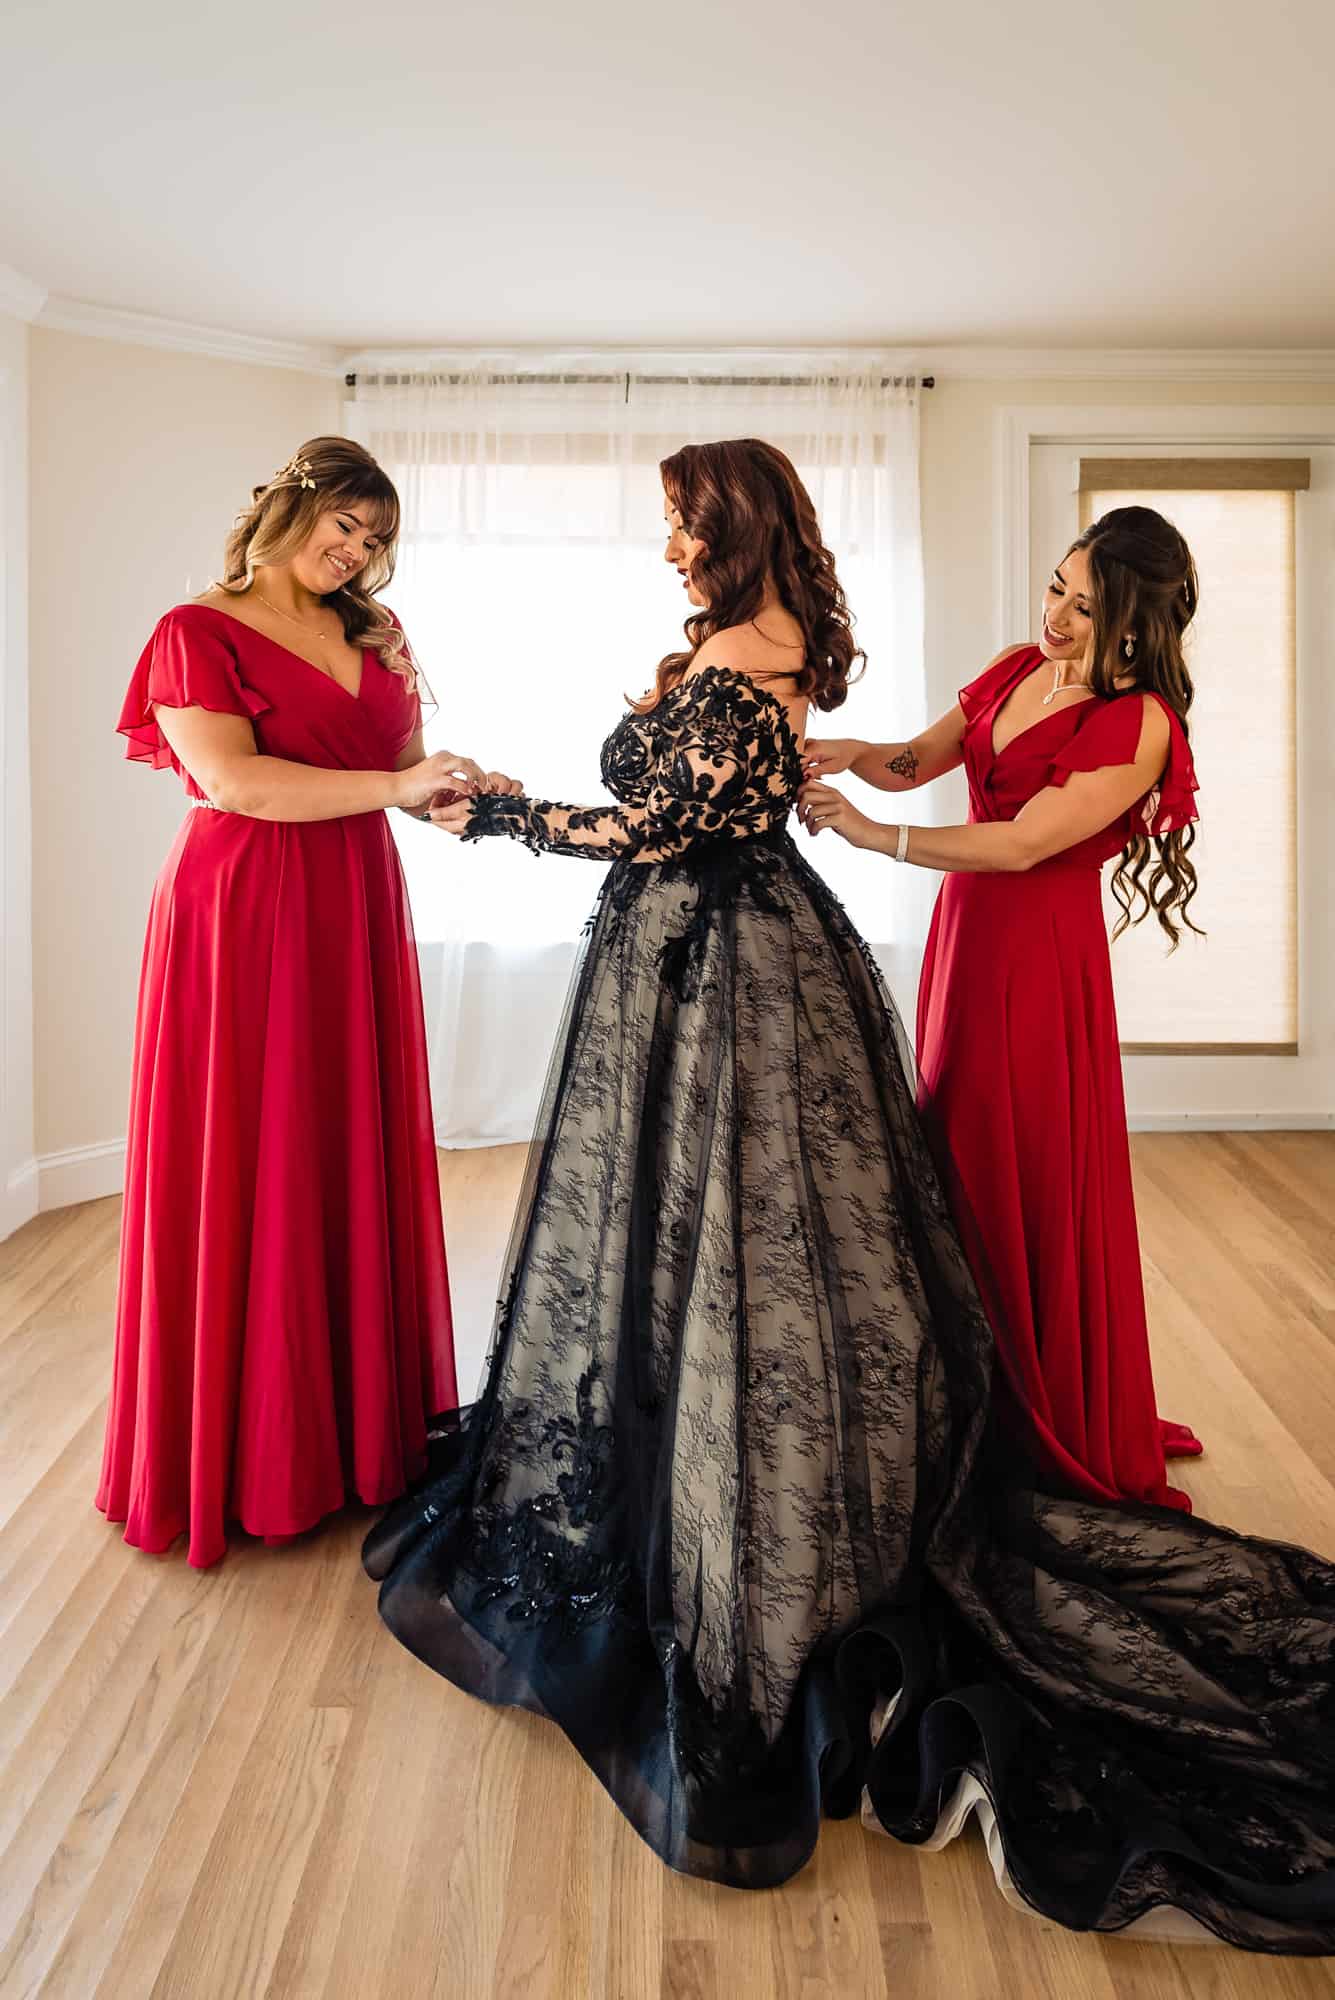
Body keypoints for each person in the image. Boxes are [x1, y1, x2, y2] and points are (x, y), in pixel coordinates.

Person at [364, 446, 1335, 1947]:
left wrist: (488, 813)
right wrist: (776, 747)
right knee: (775, 1224)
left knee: (815, 1229)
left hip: (871, 959)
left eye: (686, 528)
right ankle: (754, 1418)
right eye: (1054, 592)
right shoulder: (793, 651)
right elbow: (865, 758)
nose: (1053, 618)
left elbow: (692, 831)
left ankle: (906, 1439)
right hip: (775, 945)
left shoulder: (1068, 713)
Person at [99, 435, 512, 1569]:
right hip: (242, 908)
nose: (358, 551)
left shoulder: (374, 631)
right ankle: (244, 1452)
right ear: (291, 507)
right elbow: (232, 779)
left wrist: (451, 783)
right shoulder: (198, 628)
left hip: (351, 899)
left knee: (336, 1145)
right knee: (253, 1149)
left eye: (377, 539)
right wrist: (391, 786)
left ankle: (347, 1442)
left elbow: (406, 761)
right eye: (345, 526)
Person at [800, 507, 1204, 1511]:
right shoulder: (1018, 663)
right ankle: (968, 1389)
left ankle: (1038, 1406)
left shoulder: (1138, 720)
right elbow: (920, 757)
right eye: (1057, 586)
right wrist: (851, 753)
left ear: (1135, 618)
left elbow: (1024, 843)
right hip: (967, 936)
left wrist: (875, 837)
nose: (1058, 614)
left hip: (1036, 951)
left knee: (1009, 1155)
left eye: (1084, 601)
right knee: (955, 1148)